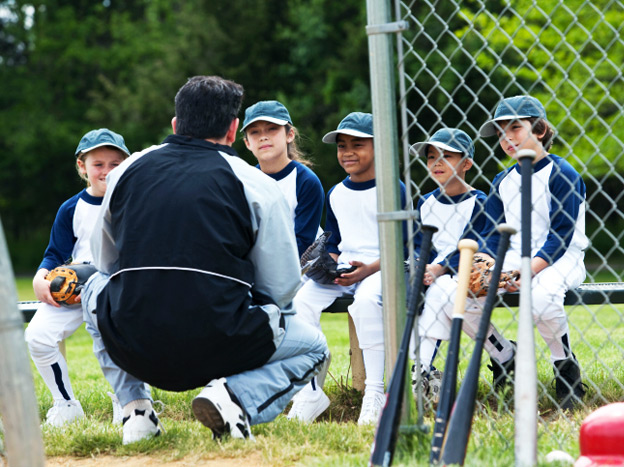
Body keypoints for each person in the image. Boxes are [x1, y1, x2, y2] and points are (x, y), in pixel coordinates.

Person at [81, 75, 329, 444]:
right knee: (315, 349)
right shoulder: (255, 183)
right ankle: (234, 397)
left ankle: (136, 411)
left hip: (134, 343)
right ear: (233, 131)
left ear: (176, 125)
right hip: (222, 346)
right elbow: (281, 286)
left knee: (93, 286)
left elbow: (104, 260)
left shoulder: (126, 172)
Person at [287, 112, 408, 425]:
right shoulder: (336, 193)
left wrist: (367, 269)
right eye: (342, 146)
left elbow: (403, 246)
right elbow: (336, 241)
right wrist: (326, 264)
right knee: (301, 303)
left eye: (358, 144)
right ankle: (311, 391)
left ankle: (374, 392)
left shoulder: (393, 188)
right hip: (346, 270)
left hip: (383, 267)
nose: (348, 152)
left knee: (366, 302)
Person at [478, 95, 588, 410]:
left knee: (540, 297)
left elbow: (561, 235)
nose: (507, 137)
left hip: (563, 258)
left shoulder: (561, 173)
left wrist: (526, 271)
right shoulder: (502, 181)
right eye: (500, 132)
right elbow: (490, 233)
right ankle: (503, 355)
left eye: (515, 127)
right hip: (513, 257)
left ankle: (565, 367)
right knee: (457, 293)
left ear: (539, 130)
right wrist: (490, 266)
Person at [25, 128, 130, 427]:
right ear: (82, 167)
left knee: (121, 335)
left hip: (116, 287)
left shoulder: (133, 203)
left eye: (115, 163)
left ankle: (129, 402)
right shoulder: (71, 208)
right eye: (98, 164)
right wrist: (40, 277)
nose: (107, 170)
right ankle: (66, 405)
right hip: (75, 287)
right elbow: (55, 253)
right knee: (38, 336)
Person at [409, 128, 516, 410]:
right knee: (441, 294)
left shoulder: (479, 202)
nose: (437, 163)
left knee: (445, 292)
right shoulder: (426, 202)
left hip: (470, 278)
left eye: (447, 156)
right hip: (437, 278)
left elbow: (477, 244)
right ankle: (504, 353)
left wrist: (441, 268)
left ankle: (421, 368)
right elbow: (422, 244)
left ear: (467, 163)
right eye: (431, 157)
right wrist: (423, 264)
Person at [242, 100, 324, 257]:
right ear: (247, 143)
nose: (263, 137)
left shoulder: (306, 182)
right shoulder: (245, 181)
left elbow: (303, 243)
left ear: (290, 135)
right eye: (255, 132)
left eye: (272, 129)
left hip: (301, 270)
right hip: (257, 267)